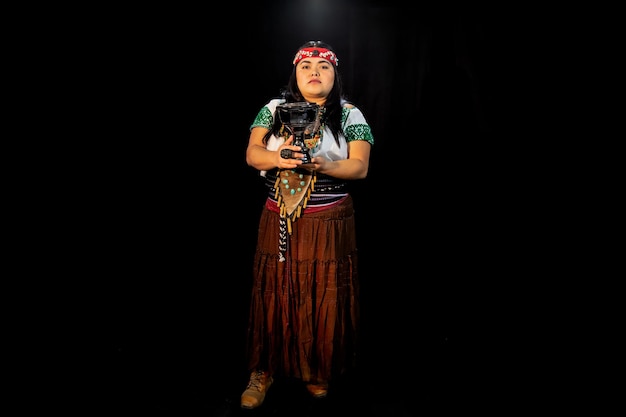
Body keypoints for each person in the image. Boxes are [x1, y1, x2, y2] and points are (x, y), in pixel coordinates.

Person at [241, 40, 375, 409]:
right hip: (279, 215)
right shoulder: (273, 109)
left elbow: (360, 166)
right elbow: (253, 154)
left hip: (328, 220)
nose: (314, 71)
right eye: (306, 65)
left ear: (336, 75)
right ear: (294, 73)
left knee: (321, 290)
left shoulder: (350, 114)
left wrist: (323, 165)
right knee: (276, 288)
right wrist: (277, 157)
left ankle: (317, 368)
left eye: (324, 66)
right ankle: (264, 368)